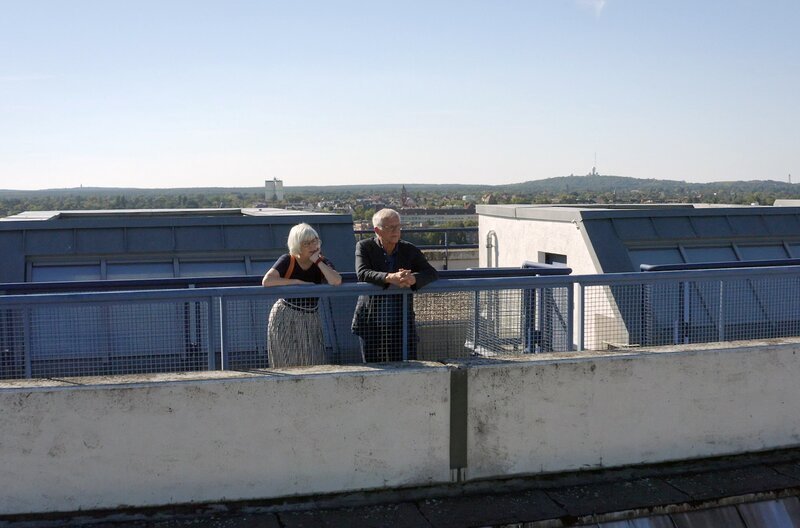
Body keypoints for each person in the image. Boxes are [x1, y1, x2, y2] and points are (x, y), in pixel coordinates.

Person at [351, 209, 438, 362]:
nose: (396, 231)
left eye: (398, 226)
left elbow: (431, 272)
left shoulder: (409, 249)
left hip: (401, 322)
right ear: (377, 230)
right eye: (390, 227)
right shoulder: (364, 247)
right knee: (374, 370)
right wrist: (390, 277)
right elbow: (362, 273)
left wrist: (413, 279)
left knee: (405, 368)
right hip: (372, 321)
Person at [262, 223, 342, 367]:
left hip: (311, 316)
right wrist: (296, 282)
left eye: (315, 241)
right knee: (286, 360)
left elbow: (335, 280)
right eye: (307, 243)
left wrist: (317, 261)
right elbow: (267, 280)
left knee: (313, 360)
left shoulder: (322, 262)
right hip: (286, 315)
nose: (313, 246)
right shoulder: (288, 260)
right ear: (297, 245)